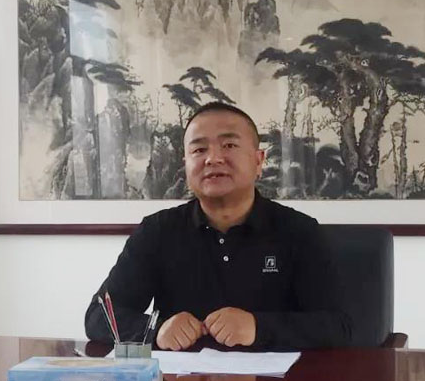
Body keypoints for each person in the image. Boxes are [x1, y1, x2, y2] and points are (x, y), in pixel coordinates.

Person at [84, 102, 352, 351]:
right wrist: (156, 329)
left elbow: (339, 326)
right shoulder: (156, 231)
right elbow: (98, 317)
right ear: (186, 165)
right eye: (199, 150)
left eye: (229, 145)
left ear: (258, 161)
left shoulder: (299, 231)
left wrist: (258, 328)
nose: (213, 158)